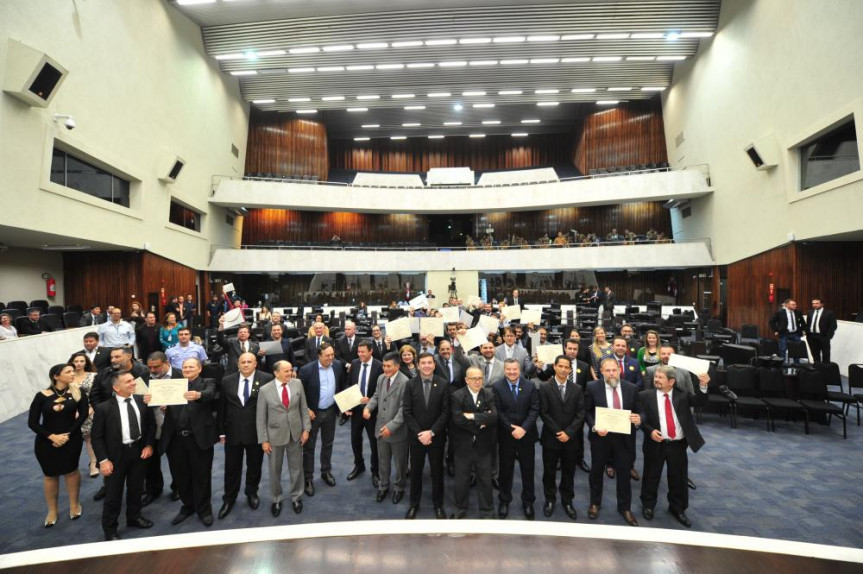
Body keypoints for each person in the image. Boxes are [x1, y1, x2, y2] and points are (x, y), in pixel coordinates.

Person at [150, 358, 218, 527]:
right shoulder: (174, 385)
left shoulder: (207, 382)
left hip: (199, 439)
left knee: (201, 476)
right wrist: (163, 405)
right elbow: (166, 405)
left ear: (199, 368)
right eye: (185, 367)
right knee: (181, 476)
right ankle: (188, 506)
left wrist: (198, 395)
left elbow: (210, 394)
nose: (187, 369)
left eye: (191, 366)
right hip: (175, 440)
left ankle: (204, 509)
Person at [639, 365, 708, 528]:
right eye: (656, 377)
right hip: (655, 443)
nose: (656, 380)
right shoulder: (645, 396)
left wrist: (703, 385)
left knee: (678, 477)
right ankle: (648, 505)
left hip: (677, 445)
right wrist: (649, 431)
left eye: (660, 378)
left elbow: (700, 401)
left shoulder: (682, 396)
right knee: (651, 475)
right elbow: (642, 419)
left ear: (671, 381)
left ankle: (677, 508)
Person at [91, 370, 156, 540]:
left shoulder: (142, 400)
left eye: (132, 380)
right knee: (113, 495)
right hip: (115, 456)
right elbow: (96, 437)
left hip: (138, 452)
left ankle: (134, 517)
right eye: (128, 382)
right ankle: (110, 529)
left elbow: (151, 425)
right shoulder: (103, 408)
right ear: (116, 388)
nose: (133, 383)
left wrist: (149, 444)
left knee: (136, 489)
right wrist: (103, 460)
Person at [28, 364, 88, 527]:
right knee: (50, 475)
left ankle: (74, 504)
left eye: (72, 371)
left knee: (71, 472)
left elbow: (83, 415)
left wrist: (68, 434)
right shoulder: (41, 395)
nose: (72, 374)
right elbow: (32, 423)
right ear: (56, 376)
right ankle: (52, 510)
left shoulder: (78, 392)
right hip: (46, 441)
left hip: (71, 439)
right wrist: (52, 436)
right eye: (68, 372)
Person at [585, 358, 643, 526]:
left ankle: (624, 507)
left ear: (619, 370)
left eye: (614, 370)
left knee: (624, 474)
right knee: (596, 472)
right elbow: (587, 411)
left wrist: (639, 418)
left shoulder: (631, 388)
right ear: (601, 372)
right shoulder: (592, 387)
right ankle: (595, 503)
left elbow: (641, 412)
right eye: (607, 370)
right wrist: (594, 426)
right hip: (600, 438)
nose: (611, 373)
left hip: (624, 440)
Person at [217, 352, 274, 519]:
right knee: (231, 468)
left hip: (256, 432)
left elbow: (270, 407)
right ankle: (229, 498)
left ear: (256, 363)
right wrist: (221, 431)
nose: (246, 364)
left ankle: (251, 493)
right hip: (232, 432)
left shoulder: (266, 379)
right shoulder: (227, 381)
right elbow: (222, 408)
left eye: (250, 361)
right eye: (243, 362)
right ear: (238, 364)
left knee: (254, 466)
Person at [257, 360, 310, 516]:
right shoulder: (265, 390)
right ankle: (276, 499)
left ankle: (296, 496)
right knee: (274, 470)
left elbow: (303, 408)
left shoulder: (297, 384)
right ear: (276, 373)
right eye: (286, 371)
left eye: (291, 370)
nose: (290, 373)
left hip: (295, 433)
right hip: (274, 436)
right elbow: (260, 418)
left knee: (296, 468)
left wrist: (306, 429)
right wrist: (264, 440)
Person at [402, 352, 450, 519]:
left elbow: (445, 413)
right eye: (424, 363)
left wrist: (431, 432)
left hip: (436, 437)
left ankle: (438, 505)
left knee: (437, 472)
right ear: (418, 365)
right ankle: (414, 504)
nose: (427, 366)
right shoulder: (410, 385)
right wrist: (420, 434)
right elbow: (407, 412)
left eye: (430, 363)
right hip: (416, 438)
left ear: (434, 365)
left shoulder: (443, 384)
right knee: (416, 472)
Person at [538, 355, 585, 520]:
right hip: (551, 438)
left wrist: (569, 433)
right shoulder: (544, 387)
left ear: (570, 369)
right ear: (555, 367)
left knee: (569, 472)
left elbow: (580, 414)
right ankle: (549, 499)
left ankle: (567, 501)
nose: (564, 369)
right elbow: (543, 412)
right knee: (549, 471)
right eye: (561, 366)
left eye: (567, 367)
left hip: (571, 440)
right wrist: (558, 432)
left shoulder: (577, 389)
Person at [493, 358, 539, 520]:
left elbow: (534, 409)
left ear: (520, 370)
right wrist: (513, 429)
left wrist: (524, 428)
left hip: (527, 436)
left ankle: (528, 502)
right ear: (504, 370)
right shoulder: (497, 387)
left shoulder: (530, 386)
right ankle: (504, 500)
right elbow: (498, 412)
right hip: (507, 436)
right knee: (505, 471)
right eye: (508, 369)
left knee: (528, 471)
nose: (512, 372)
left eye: (515, 369)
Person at [450, 366, 498, 519]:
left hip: (483, 444)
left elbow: (494, 416)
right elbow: (457, 419)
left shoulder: (488, 394)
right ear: (466, 380)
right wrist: (482, 419)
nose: (478, 382)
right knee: (461, 479)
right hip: (463, 445)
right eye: (474, 379)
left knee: (485, 478)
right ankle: (460, 509)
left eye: (480, 378)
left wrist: (471, 416)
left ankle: (487, 510)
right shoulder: (457, 396)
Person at [298, 342, 344, 496]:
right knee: (309, 447)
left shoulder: (337, 366)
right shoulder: (306, 370)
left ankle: (326, 471)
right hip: (313, 414)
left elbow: (341, 387)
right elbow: (299, 394)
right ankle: (308, 478)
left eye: (332, 355)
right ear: (319, 356)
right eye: (327, 356)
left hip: (330, 412)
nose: (330, 358)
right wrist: (306, 410)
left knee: (328, 443)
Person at [364, 352, 409, 504]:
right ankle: (383, 486)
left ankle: (399, 488)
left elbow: (404, 410)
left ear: (397, 366)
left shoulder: (405, 382)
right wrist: (368, 408)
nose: (385, 369)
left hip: (397, 431)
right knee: (383, 461)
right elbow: (376, 395)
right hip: (380, 429)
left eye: (389, 366)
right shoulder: (381, 378)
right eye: (384, 365)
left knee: (400, 462)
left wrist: (391, 427)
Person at [142, 352, 181, 506]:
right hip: (152, 427)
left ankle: (178, 488)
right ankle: (154, 490)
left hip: (175, 429)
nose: (152, 370)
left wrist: (174, 407)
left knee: (177, 462)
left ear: (166, 362)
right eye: (149, 367)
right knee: (151, 463)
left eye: (156, 367)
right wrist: (142, 400)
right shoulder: (144, 378)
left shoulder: (181, 376)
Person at [345, 341, 382, 485]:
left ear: (370, 351)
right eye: (358, 352)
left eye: (363, 352)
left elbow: (381, 389)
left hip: (372, 411)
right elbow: (349, 383)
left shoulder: (379, 366)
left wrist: (371, 399)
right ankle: (359, 465)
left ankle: (375, 470)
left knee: (374, 443)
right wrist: (348, 402)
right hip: (356, 410)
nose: (360, 354)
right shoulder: (354, 363)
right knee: (355, 439)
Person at [68, 352, 99, 478]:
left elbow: (97, 395)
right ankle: (70, 467)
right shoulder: (67, 376)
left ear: (86, 362)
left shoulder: (94, 376)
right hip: (71, 412)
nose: (79, 363)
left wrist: (89, 410)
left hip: (90, 411)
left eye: (81, 361)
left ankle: (93, 463)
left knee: (89, 438)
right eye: (76, 361)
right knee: (71, 440)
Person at [807, 298, 837, 363]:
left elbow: (833, 326)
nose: (814, 305)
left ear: (822, 304)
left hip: (823, 336)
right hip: (811, 336)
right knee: (815, 354)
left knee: (825, 354)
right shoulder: (810, 312)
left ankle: (825, 370)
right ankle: (817, 368)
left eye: (817, 303)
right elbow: (808, 324)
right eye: (813, 303)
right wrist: (807, 334)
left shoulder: (829, 313)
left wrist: (828, 336)